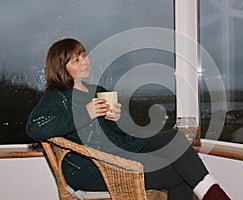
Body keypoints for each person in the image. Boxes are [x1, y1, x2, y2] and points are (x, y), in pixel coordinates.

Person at [26, 38, 230, 200]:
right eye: (76, 60)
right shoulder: (56, 97)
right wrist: (85, 113)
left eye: (84, 55)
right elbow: (35, 128)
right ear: (61, 68)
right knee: (179, 175)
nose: (85, 61)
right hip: (93, 170)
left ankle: (215, 195)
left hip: (121, 150)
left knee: (176, 140)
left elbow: (123, 131)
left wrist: (117, 117)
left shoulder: (98, 91)